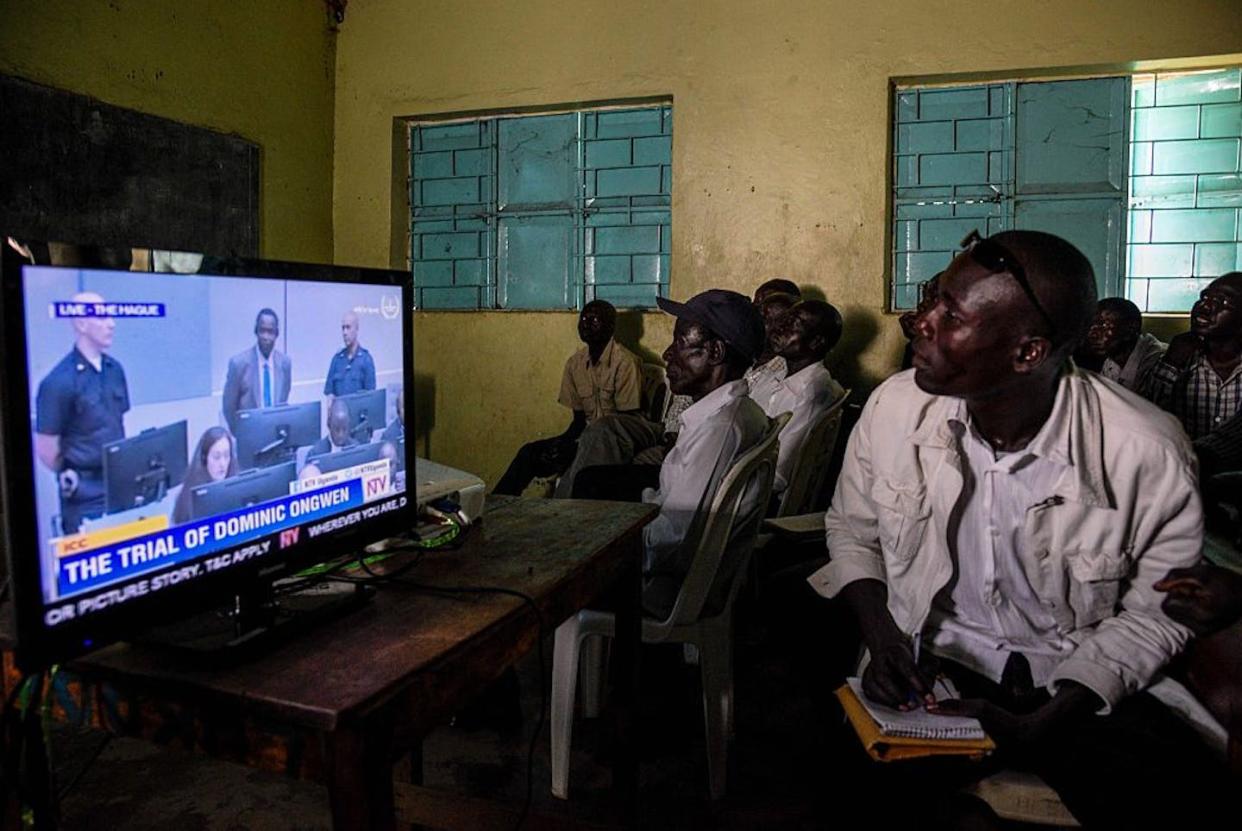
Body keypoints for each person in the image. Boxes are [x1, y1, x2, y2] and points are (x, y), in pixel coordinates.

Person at [810, 229, 1229, 827]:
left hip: (1077, 680)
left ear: (1027, 352)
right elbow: (853, 530)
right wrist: (884, 641)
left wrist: (1042, 723)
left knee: (1176, 798)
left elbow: (1155, 614)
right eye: (931, 301)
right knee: (847, 790)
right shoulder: (894, 408)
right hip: (934, 666)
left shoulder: (1145, 449)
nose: (919, 322)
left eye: (948, 314)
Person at [578, 290, 769, 616]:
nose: (667, 354)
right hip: (668, 576)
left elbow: (674, 540)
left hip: (660, 592)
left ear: (716, 352)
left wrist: (599, 552)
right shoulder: (734, 412)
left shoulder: (719, 430)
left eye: (680, 342)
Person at [492, 300, 641, 496]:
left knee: (575, 466)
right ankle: (495, 508)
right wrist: (563, 443)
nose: (586, 324)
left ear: (611, 327)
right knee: (531, 453)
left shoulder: (625, 362)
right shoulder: (575, 364)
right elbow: (579, 420)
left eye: (594, 319)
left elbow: (625, 422)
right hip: (583, 438)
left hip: (611, 441)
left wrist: (578, 446)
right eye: (583, 319)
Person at [35, 292, 130, 534]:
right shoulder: (57, 382)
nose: (111, 323)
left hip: (120, 485)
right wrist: (74, 475)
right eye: (101, 316)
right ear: (81, 324)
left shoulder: (115, 369)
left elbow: (118, 424)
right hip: (84, 494)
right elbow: (47, 450)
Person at [749, 299, 845, 498]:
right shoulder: (772, 374)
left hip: (760, 497)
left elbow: (778, 474)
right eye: (783, 321)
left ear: (816, 342)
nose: (778, 328)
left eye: (793, 324)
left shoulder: (815, 391)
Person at [1143, 271, 1242, 440]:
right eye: (1204, 298)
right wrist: (1170, 363)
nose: (1204, 308)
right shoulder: (1180, 360)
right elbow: (1145, 416)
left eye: (1222, 302)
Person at [222, 308, 292, 435]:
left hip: (275, 436)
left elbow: (283, 401)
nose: (266, 337)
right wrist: (241, 436)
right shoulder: (238, 364)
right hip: (248, 436)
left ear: (277, 333)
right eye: (262, 330)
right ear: (256, 331)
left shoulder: (285, 364)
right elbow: (228, 407)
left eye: (270, 332)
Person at [1075, 297, 1166, 392]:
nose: (1092, 334)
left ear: (1130, 329)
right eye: (1090, 326)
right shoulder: (1111, 363)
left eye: (1103, 325)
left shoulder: (1160, 365)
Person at [172, 427, 239, 524]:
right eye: (216, 457)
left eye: (226, 456)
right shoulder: (186, 498)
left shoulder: (238, 488)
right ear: (204, 459)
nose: (223, 464)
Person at [323, 310, 376, 398]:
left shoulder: (366, 360)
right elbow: (330, 393)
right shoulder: (336, 360)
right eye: (343, 328)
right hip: (339, 410)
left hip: (359, 410)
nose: (345, 332)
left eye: (348, 327)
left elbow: (370, 397)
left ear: (356, 329)